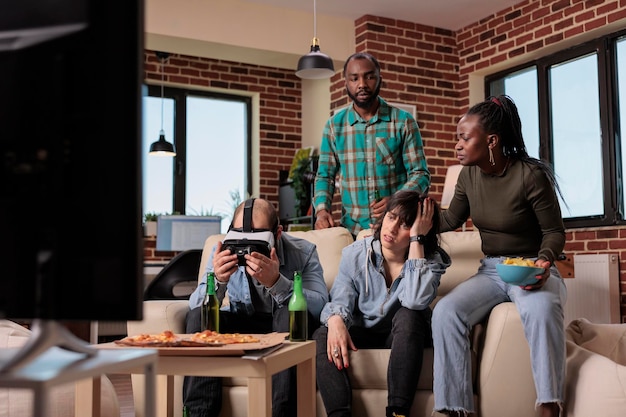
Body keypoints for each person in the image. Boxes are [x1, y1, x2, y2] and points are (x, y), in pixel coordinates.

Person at [432, 95, 566, 417]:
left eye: (465, 138)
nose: (458, 146)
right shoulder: (468, 176)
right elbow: (449, 220)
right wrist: (408, 211)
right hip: (491, 270)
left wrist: (544, 261)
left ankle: (549, 405)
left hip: (531, 266)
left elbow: (554, 232)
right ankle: (455, 409)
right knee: (446, 311)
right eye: (457, 139)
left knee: (543, 308)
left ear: (491, 140)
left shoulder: (530, 175)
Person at [183, 198, 328, 417]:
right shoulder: (221, 250)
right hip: (242, 324)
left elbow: (320, 306)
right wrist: (219, 281)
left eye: (257, 241)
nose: (246, 248)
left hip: (281, 325)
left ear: (277, 233)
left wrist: (277, 282)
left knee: (288, 312)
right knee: (199, 316)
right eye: (240, 238)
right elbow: (195, 304)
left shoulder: (303, 252)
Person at [313, 190, 451, 417]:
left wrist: (417, 240)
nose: (392, 229)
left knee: (409, 315)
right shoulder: (355, 255)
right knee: (323, 332)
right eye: (391, 217)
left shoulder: (430, 262)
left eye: (406, 225)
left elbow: (415, 300)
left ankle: (397, 413)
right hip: (363, 331)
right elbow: (340, 299)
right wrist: (336, 319)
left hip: (405, 334)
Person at [313, 52, 431, 237]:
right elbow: (324, 177)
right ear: (346, 83)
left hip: (398, 230)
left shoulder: (403, 122)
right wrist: (321, 211)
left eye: (369, 77)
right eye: (354, 78)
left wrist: (397, 200)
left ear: (379, 80)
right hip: (353, 233)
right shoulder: (334, 126)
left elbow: (420, 174)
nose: (362, 84)